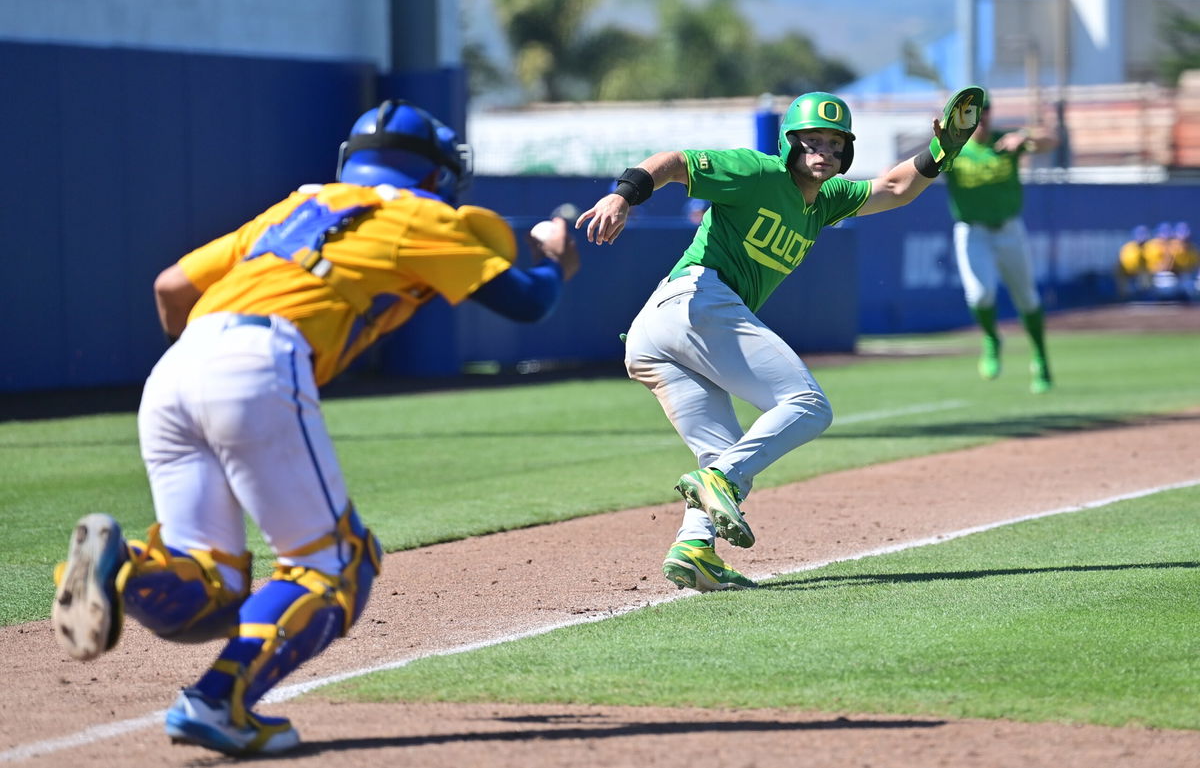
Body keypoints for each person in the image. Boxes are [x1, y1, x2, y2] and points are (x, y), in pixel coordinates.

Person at [50, 99, 580, 756]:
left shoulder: (296, 208)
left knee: (210, 584)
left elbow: (169, 288)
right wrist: (555, 257)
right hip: (258, 360)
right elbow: (527, 301)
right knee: (337, 564)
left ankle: (123, 568)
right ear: (436, 172)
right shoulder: (423, 213)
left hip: (176, 368)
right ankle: (218, 703)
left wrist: (206, 369)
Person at [576, 87, 984, 594]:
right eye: (812, 141)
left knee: (724, 452)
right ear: (789, 142)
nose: (824, 153)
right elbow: (676, 162)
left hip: (657, 333)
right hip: (695, 300)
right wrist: (622, 194)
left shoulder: (825, 202)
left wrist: (942, 150)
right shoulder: (759, 173)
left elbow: (896, 188)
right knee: (808, 405)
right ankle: (719, 484)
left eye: (835, 145)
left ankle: (695, 549)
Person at [943, 96, 1058, 394]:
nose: (979, 119)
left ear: (991, 114)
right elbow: (920, 166)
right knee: (980, 295)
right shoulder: (954, 149)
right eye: (971, 114)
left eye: (983, 112)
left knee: (1027, 299)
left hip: (1008, 229)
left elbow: (1051, 142)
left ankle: (1040, 359)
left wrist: (1025, 136)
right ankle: (992, 337)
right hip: (972, 231)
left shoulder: (1005, 142)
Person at [1117, 224, 1151, 300]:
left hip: (1144, 275)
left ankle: (1146, 295)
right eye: (1139, 234)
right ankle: (1127, 296)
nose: (1142, 236)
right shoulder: (1128, 248)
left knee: (1146, 277)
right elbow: (1124, 264)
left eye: (1144, 234)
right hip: (1129, 275)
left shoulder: (1151, 247)